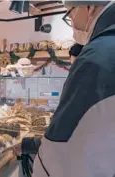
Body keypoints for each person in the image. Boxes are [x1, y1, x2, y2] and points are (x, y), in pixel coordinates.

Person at [18, 1, 115, 177]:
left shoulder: (96, 58)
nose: (72, 24)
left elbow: (61, 151)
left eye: (70, 14)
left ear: (89, 8)